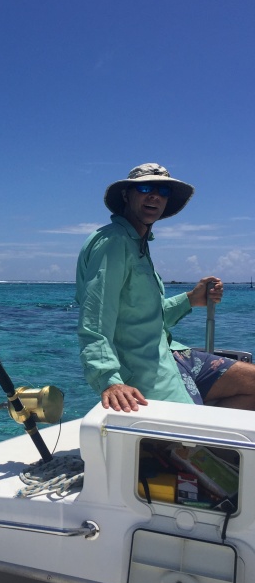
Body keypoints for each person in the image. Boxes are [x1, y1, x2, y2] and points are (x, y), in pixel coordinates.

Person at [76, 163, 255, 413]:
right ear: (127, 194)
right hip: (144, 370)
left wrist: (191, 299)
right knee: (194, 430)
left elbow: (145, 319)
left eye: (163, 191)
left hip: (171, 354)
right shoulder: (113, 242)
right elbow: (94, 321)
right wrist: (109, 380)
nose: (155, 196)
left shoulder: (137, 244)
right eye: (146, 187)